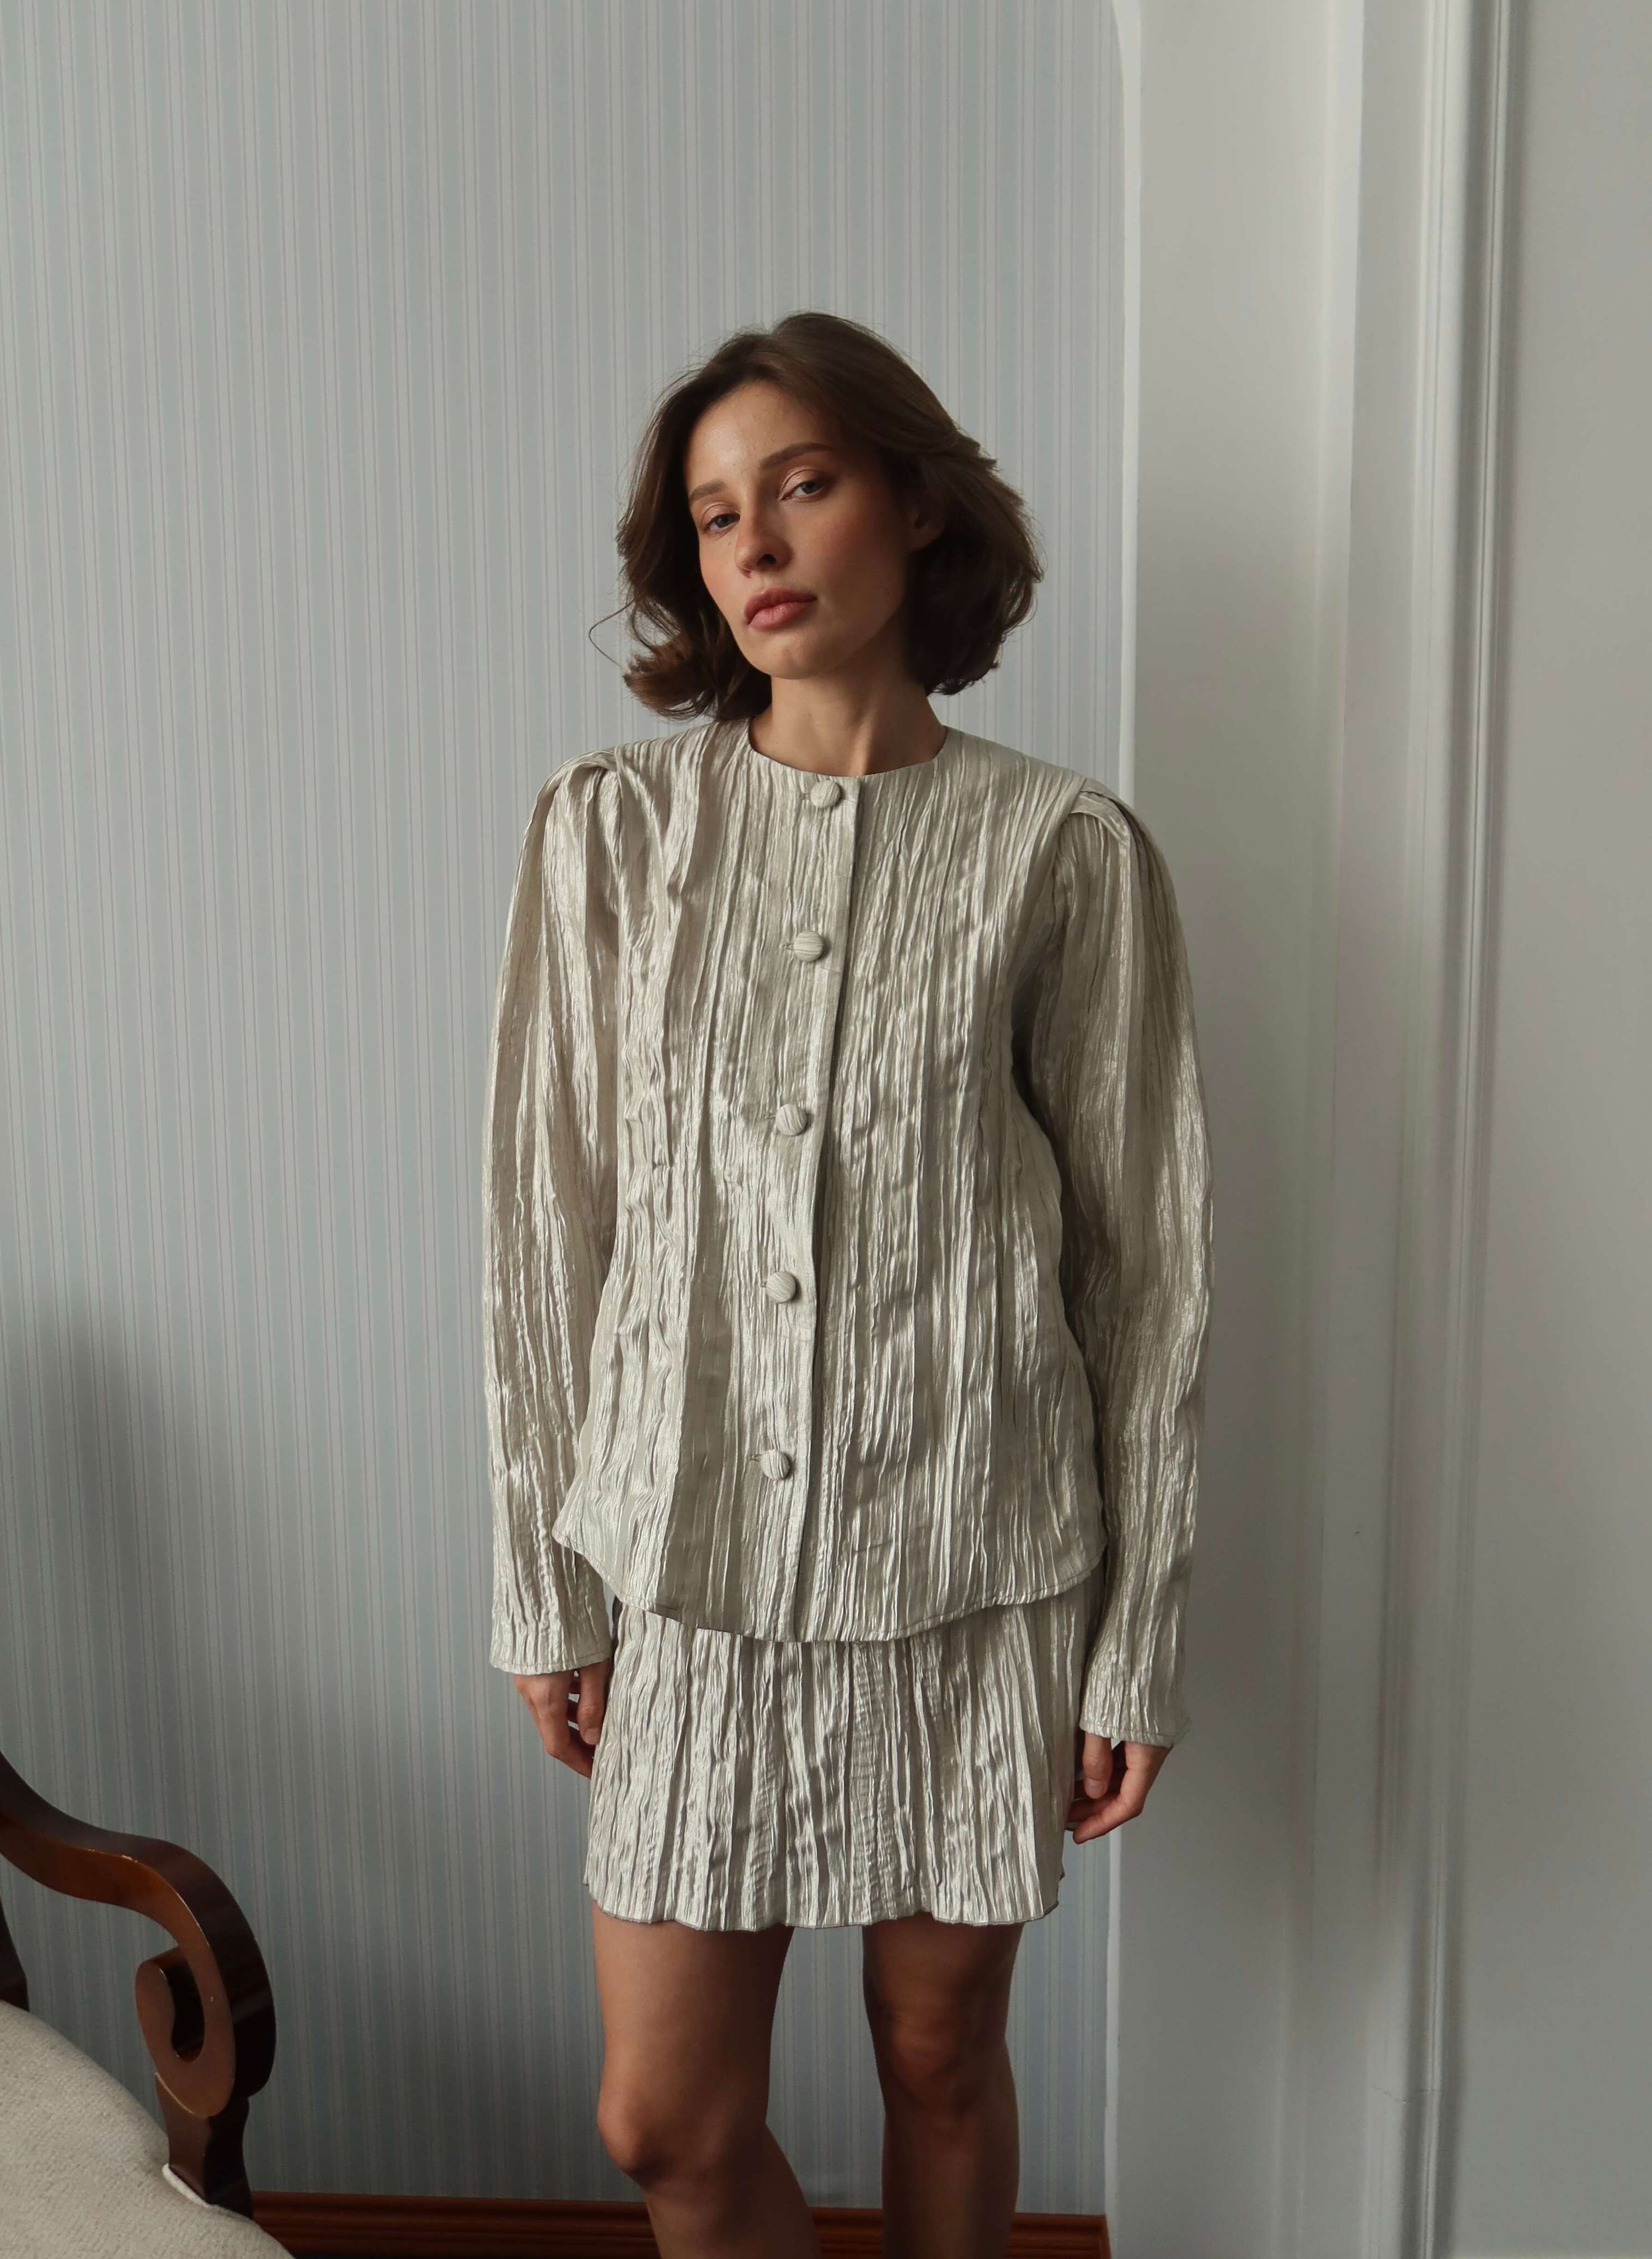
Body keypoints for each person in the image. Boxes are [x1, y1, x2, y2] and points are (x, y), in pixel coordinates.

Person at [481, 311, 1215, 2259]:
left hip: (977, 1562)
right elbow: (547, 1237)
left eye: (799, 486)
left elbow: (1145, 1277)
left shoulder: (1061, 851)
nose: (756, 545)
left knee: (940, 2057)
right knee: (663, 2121)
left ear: (914, 503)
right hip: (690, 1568)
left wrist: (1136, 1639)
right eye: (716, 515)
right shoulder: (614, 834)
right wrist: (545, 1577)